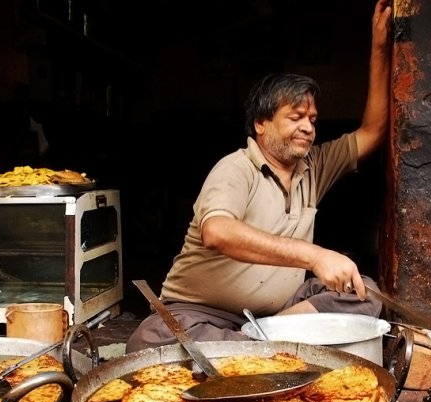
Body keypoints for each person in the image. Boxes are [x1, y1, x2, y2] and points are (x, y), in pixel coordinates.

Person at [127, 0, 392, 352]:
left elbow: (373, 131)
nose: (308, 127)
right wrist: (314, 256)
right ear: (261, 123)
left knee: (364, 292)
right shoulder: (236, 168)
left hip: (278, 314)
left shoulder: (314, 165)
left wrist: (379, 47)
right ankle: (255, 347)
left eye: (312, 119)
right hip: (203, 316)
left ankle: (255, 344)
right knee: (152, 338)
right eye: (295, 117)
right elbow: (217, 231)